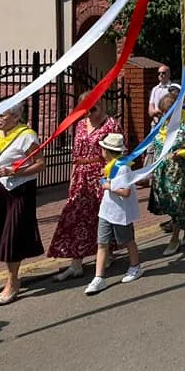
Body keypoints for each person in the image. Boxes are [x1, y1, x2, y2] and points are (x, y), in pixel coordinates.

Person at [48, 95, 123, 281]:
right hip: (82, 177)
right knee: (76, 217)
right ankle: (76, 264)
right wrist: (72, 178)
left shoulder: (111, 124)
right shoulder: (80, 125)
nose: (90, 112)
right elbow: (76, 153)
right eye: (86, 108)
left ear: (101, 104)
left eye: (93, 106)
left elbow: (120, 155)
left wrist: (114, 179)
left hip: (101, 175)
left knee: (102, 218)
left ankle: (107, 252)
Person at [0, 104, 46, 305]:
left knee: (13, 235)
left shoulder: (27, 136)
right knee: (1, 235)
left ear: (16, 117)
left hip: (20, 191)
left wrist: (14, 172)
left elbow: (40, 164)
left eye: (3, 115)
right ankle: (12, 278)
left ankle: (12, 281)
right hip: (0, 192)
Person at [85, 134, 143, 294]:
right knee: (102, 243)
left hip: (120, 212)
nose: (101, 151)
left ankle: (135, 266)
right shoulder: (110, 165)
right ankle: (99, 277)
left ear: (108, 151)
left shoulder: (123, 167)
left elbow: (125, 192)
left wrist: (108, 186)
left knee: (127, 241)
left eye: (103, 149)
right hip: (106, 210)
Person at [149, 93, 185, 255]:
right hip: (162, 174)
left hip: (180, 173)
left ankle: (174, 239)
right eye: (164, 112)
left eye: (169, 111)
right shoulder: (162, 124)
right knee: (169, 205)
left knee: (178, 204)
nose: (166, 115)